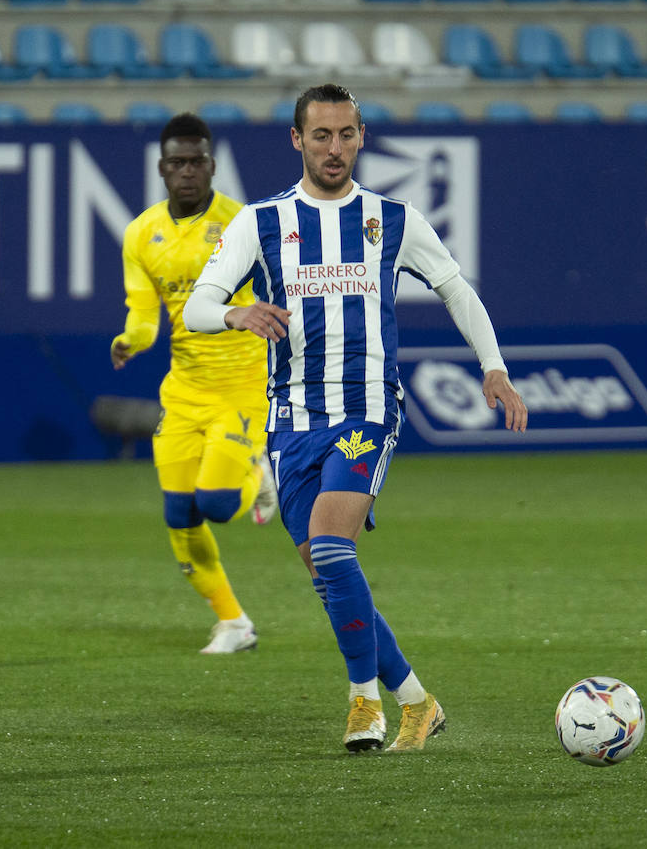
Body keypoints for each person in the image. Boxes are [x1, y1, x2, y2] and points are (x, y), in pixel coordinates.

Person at [183, 83, 527, 753]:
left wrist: (493, 365)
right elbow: (199, 305)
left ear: (362, 137)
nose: (334, 148)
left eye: (346, 134)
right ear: (296, 140)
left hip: (367, 409)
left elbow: (457, 289)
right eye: (321, 136)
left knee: (335, 549)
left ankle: (362, 704)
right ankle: (417, 703)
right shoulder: (260, 223)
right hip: (290, 422)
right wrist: (235, 312)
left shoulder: (392, 219)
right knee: (331, 575)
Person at [112, 112, 278, 655]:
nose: (187, 171)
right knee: (178, 515)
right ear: (162, 168)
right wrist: (132, 340)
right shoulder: (141, 233)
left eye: (197, 161)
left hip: (242, 387)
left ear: (212, 165)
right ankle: (234, 623)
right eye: (177, 162)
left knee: (215, 504)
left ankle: (259, 471)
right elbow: (144, 313)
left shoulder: (243, 223)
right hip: (183, 391)